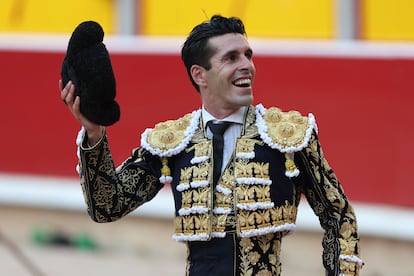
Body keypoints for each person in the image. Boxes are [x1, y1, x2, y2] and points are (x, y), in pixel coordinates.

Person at [60, 15, 363, 276]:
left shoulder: (287, 136)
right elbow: (107, 206)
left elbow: (339, 216)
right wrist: (94, 133)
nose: (246, 65)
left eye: (248, 54)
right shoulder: (173, 142)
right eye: (231, 58)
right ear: (199, 74)